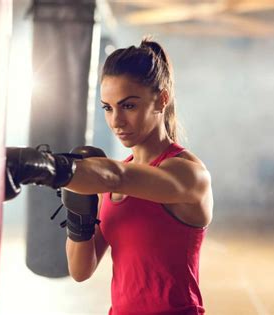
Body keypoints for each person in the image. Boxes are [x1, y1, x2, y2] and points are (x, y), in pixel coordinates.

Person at [62, 38, 214, 315]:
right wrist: (78, 215)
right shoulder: (109, 180)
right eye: (108, 107)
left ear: (162, 99)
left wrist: (54, 169)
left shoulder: (188, 173)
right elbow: (80, 270)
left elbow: (118, 176)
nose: (116, 121)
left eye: (128, 106)